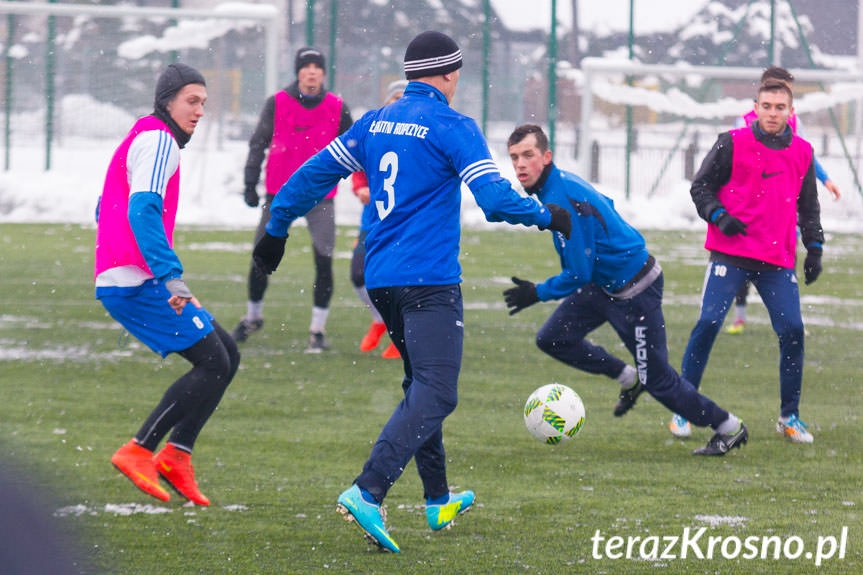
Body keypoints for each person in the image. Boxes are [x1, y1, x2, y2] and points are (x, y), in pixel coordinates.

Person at [251, 31, 572, 553]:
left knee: (419, 383)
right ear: (450, 74)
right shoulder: (453, 125)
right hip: (429, 280)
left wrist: (276, 227)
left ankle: (437, 497)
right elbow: (493, 200)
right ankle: (369, 489)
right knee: (438, 390)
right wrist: (545, 214)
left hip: (381, 278)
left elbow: (312, 174)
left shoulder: (376, 121)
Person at [503, 124, 748, 459]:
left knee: (660, 381)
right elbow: (607, 205)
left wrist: (537, 292)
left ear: (546, 157)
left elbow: (578, 273)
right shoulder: (557, 187)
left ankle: (728, 427)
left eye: (528, 155)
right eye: (514, 157)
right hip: (604, 286)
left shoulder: (563, 198)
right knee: (553, 338)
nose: (520, 164)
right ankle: (627, 376)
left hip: (637, 293)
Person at [95, 63, 240, 506]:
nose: (199, 111)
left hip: (132, 274)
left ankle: (177, 453)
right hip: (135, 279)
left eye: (203, 103)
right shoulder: (159, 140)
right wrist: (169, 277)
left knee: (227, 353)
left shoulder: (145, 137)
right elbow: (141, 210)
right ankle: (140, 449)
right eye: (191, 101)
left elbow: (104, 206)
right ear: (167, 101)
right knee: (213, 362)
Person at [669, 80, 824, 442]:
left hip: (777, 259)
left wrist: (814, 247)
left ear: (790, 111)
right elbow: (700, 187)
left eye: (779, 107)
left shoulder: (802, 151)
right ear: (755, 107)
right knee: (707, 322)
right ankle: (683, 408)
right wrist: (719, 216)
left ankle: (789, 416)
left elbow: (809, 206)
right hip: (730, 254)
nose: (772, 113)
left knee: (793, 332)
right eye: (766, 106)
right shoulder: (731, 142)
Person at [233, 46, 354, 352]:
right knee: (261, 256)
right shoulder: (277, 103)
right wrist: (250, 182)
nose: (312, 71)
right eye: (306, 66)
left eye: (317, 66)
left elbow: (357, 147)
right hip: (279, 194)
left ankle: (317, 330)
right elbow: (258, 143)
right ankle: (252, 317)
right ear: (298, 72)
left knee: (323, 261)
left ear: (324, 73)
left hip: (320, 197)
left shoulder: (338, 107)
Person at [725, 66, 838, 336]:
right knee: (743, 262)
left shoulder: (792, 124)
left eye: (786, 91)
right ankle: (739, 317)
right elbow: (729, 159)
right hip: (751, 207)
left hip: (782, 205)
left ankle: (791, 319)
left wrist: (825, 179)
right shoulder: (744, 123)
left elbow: (806, 156)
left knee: (786, 259)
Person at [350, 80, 407, 360]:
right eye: (393, 98)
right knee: (358, 274)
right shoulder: (373, 132)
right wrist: (360, 186)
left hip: (400, 224)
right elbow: (357, 165)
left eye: (403, 98)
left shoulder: (415, 136)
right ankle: (379, 320)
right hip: (370, 221)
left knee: (395, 280)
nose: (397, 103)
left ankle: (399, 334)